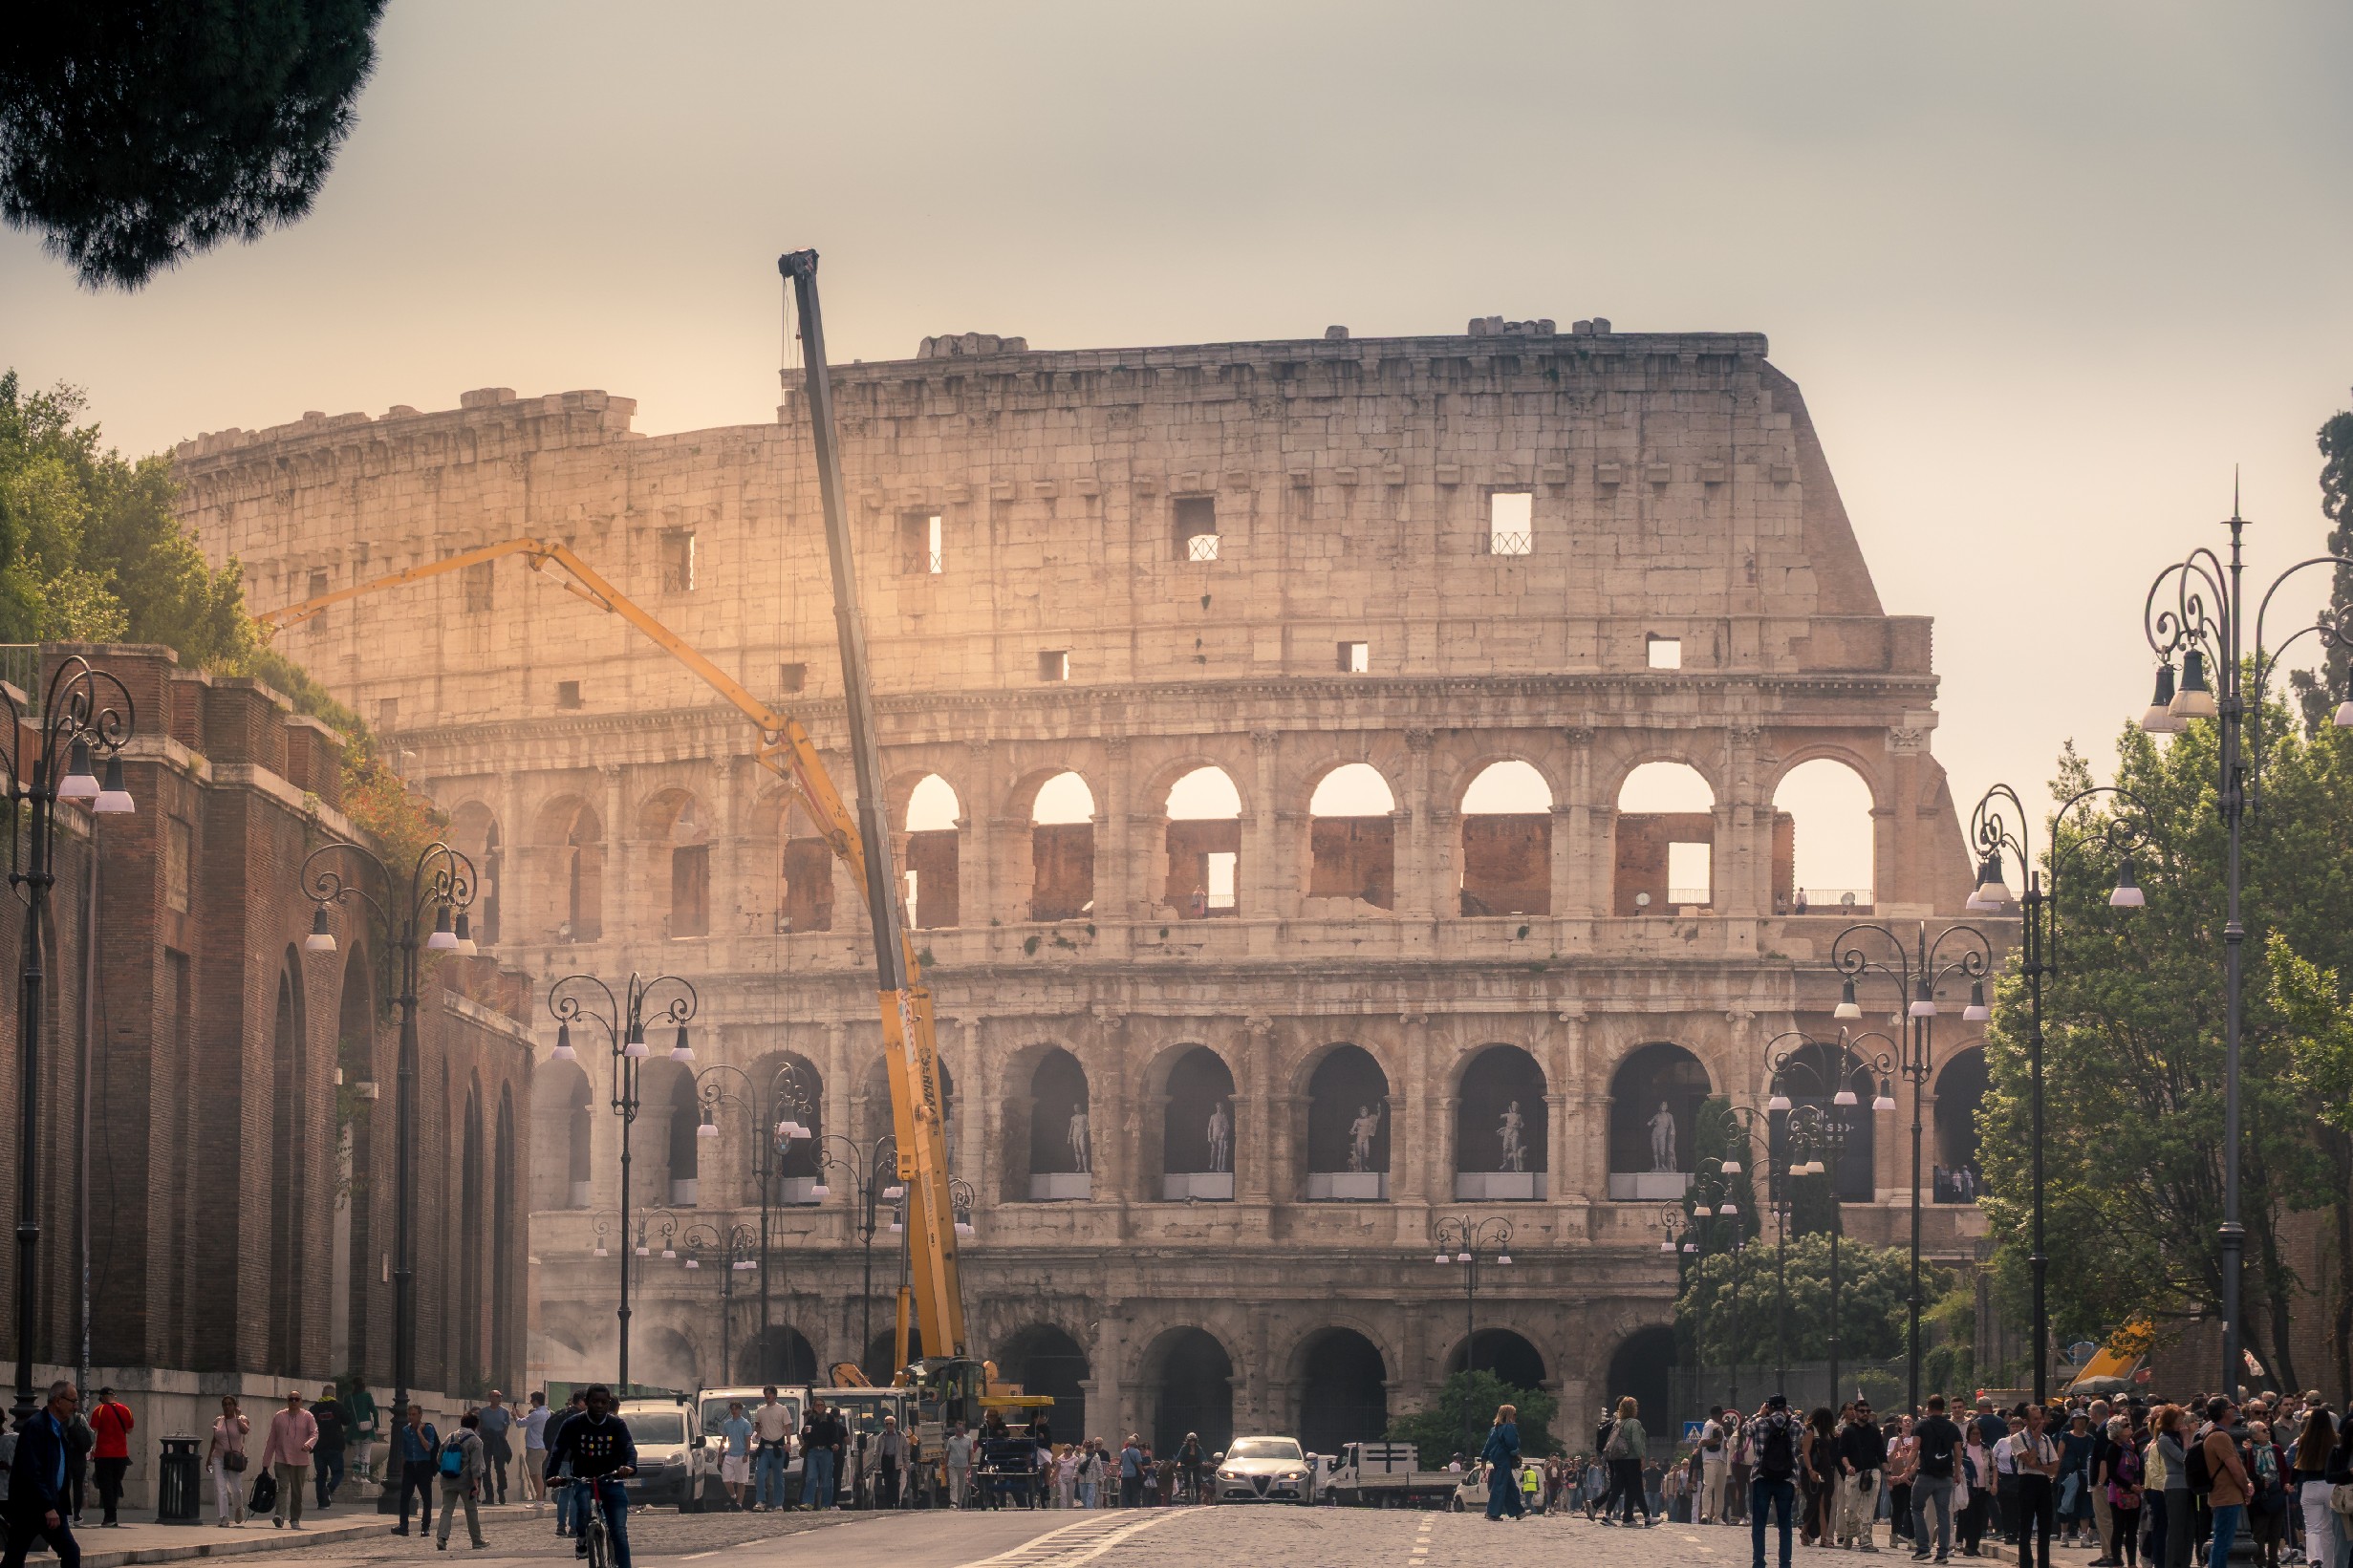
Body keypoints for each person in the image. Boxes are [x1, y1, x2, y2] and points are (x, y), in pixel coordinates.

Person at [541, 1385, 637, 1568]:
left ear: (608, 1403)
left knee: (619, 1532)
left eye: (603, 1402)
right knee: (582, 1507)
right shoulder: (572, 1423)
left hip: (611, 1479)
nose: (599, 1405)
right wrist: (551, 1475)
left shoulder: (617, 1424)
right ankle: (582, 1537)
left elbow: (629, 1447)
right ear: (587, 1402)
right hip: (582, 1478)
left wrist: (629, 1466)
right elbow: (558, 1450)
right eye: (595, 1401)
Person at [5, 1381, 82, 1568]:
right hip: (32, 1507)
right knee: (15, 1556)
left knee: (70, 1551)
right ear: (57, 1401)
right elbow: (32, 1471)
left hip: (52, 1505)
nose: (76, 1406)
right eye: (73, 1401)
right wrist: (48, 1507)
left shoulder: (60, 1427)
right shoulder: (36, 1426)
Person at [1911, 1393, 1964, 1564]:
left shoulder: (1921, 1425)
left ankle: (1923, 1547)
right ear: (1943, 1408)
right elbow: (1957, 1452)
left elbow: (1915, 1448)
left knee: (1917, 1508)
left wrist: (1907, 1467)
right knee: (1944, 1515)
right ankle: (1942, 1553)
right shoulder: (1953, 1428)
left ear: (1928, 1408)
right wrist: (1957, 1472)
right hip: (1945, 1476)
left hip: (1926, 1474)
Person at [1752, 1394, 1803, 1568]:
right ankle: (1785, 1563)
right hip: (1786, 1478)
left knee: (1759, 1523)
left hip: (1762, 1476)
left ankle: (1759, 1561)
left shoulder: (1760, 1423)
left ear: (1769, 1407)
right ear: (1786, 1407)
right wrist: (1790, 1415)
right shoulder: (1795, 1425)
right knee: (1785, 1524)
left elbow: (1744, 1430)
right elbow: (1802, 1432)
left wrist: (1759, 1414)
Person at [2202, 1398, 2252, 1568]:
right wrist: (2246, 1489)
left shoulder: (2214, 1433)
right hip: (2226, 1497)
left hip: (2224, 1496)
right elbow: (2235, 1468)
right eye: (2232, 1407)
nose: (2235, 1409)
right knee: (2222, 1544)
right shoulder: (2220, 1437)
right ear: (2224, 1412)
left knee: (2221, 1542)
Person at [2009, 1403, 2061, 1568]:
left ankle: (2043, 1563)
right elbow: (2029, 1462)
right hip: (2027, 1482)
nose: (2040, 1423)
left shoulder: (2047, 1439)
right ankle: (2026, 1563)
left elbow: (2054, 1467)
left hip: (2043, 1482)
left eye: (2041, 1419)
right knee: (2026, 1525)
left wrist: (2041, 1467)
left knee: (2045, 1526)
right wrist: (2035, 1440)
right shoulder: (2018, 1438)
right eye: (2036, 1419)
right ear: (2026, 1421)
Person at [261, 1389, 318, 1530]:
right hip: (282, 1458)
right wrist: (265, 1463)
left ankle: (295, 1519)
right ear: (287, 1401)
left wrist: (308, 1444)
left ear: (301, 1402)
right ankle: (279, 1515)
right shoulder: (279, 1417)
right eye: (291, 1399)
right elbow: (271, 1440)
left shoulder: (307, 1416)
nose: (293, 1402)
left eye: (296, 1399)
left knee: (297, 1491)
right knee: (282, 1488)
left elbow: (314, 1433)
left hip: (300, 1460)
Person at [2289, 1406, 2337, 1568]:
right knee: (2328, 1529)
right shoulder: (2334, 1439)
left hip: (2310, 1486)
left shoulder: (2303, 1439)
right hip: (2330, 1486)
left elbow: (2297, 1465)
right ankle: (2329, 1563)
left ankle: (2314, 1559)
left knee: (2312, 1527)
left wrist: (2290, 1482)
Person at [1840, 1399, 1889, 1551]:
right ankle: (1849, 1534)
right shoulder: (1848, 1431)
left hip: (1872, 1472)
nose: (1865, 1414)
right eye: (1862, 1411)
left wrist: (1888, 1473)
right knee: (1851, 1508)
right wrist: (1848, 1466)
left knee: (1869, 1507)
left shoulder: (1874, 1431)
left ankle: (1866, 1540)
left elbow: (1882, 1455)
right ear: (1855, 1412)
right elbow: (1842, 1453)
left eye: (1868, 1411)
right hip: (1854, 1473)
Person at [434, 1412, 486, 1552]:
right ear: (476, 1425)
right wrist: (476, 1484)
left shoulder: (449, 1437)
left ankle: (442, 1538)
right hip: (466, 1482)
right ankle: (476, 1540)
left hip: (447, 1479)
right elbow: (475, 1466)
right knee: (471, 1510)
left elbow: (439, 1460)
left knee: (446, 1510)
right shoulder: (475, 1441)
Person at [394, 1402, 443, 1536]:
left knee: (426, 1498)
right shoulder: (405, 1430)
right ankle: (403, 1526)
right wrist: (402, 1471)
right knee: (405, 1497)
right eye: (409, 1415)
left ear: (420, 1415)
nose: (411, 1417)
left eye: (414, 1414)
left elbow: (428, 1447)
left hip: (424, 1466)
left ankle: (425, 1527)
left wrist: (419, 1432)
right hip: (410, 1466)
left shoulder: (428, 1429)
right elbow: (403, 1452)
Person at [2102, 1414, 2144, 1568]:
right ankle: (2117, 1562)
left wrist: (2140, 1484)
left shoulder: (2133, 1445)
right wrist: (2129, 1485)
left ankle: (2132, 1563)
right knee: (2119, 1528)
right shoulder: (2113, 1448)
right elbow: (2112, 1473)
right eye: (2126, 1425)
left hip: (2134, 1493)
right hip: (2118, 1493)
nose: (2130, 1427)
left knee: (2132, 1530)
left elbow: (2140, 1467)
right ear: (2118, 1431)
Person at [87, 1389, 132, 1530]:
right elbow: (129, 1430)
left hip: (104, 1454)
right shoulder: (126, 1410)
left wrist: (90, 1449)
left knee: (106, 1486)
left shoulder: (99, 1410)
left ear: (103, 1397)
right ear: (114, 1396)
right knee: (114, 1483)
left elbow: (92, 1430)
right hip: (121, 1454)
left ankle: (110, 1517)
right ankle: (113, 1512)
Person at [206, 1395, 252, 1528]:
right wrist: (209, 1457)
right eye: (225, 1404)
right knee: (220, 1487)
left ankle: (238, 1508)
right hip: (219, 1457)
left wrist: (237, 1417)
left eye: (230, 1404)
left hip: (234, 1458)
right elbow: (214, 1440)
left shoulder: (242, 1420)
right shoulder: (218, 1421)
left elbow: (245, 1431)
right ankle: (223, 1517)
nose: (227, 1407)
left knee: (236, 1489)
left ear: (235, 1406)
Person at [1607, 1397, 1651, 1525]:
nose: (1637, 1409)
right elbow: (1636, 1442)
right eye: (1636, 1406)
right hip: (1632, 1460)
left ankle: (1608, 1516)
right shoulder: (1634, 1423)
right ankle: (1648, 1518)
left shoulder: (1618, 1422)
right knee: (1637, 1488)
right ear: (1632, 1409)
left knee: (1617, 1489)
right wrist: (1642, 1457)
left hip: (1619, 1460)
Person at [751, 1388, 793, 1512]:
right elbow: (758, 1426)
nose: (767, 1396)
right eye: (766, 1394)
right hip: (764, 1448)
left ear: (775, 1395)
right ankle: (760, 1501)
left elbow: (787, 1427)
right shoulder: (760, 1411)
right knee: (760, 1474)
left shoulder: (782, 1409)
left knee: (778, 1477)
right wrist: (757, 1433)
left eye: (770, 1393)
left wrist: (789, 1442)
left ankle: (778, 1503)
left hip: (778, 1448)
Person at [799, 1397, 845, 1511]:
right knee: (811, 1477)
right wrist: (805, 1433)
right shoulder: (811, 1419)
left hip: (826, 1451)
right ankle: (808, 1502)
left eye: (821, 1405)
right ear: (814, 1407)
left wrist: (835, 1443)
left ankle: (825, 1504)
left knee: (826, 1479)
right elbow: (805, 1433)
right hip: (813, 1452)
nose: (819, 1407)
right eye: (817, 1405)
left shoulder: (829, 1418)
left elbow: (834, 1433)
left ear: (824, 1407)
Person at [1481, 1404, 1524, 1521]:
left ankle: (1518, 1512)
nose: (1516, 1416)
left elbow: (1488, 1445)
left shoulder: (1494, 1429)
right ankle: (1492, 1512)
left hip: (1496, 1459)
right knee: (1499, 1486)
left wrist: (1484, 1459)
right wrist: (1517, 1454)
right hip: (1505, 1459)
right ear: (1510, 1415)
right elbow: (1512, 1444)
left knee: (1511, 1487)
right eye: (1515, 1414)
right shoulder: (1509, 1427)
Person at [312, 1385, 347, 1511]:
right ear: (334, 1395)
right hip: (335, 1445)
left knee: (321, 1475)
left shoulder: (314, 1409)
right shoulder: (338, 1407)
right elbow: (347, 1420)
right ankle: (330, 1488)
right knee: (338, 1472)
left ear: (322, 1394)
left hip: (318, 1446)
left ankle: (322, 1503)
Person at [477, 1392, 513, 1506]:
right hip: (486, 1440)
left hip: (499, 1440)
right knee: (485, 1467)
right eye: (496, 1396)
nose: (499, 1398)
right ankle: (489, 1495)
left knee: (500, 1468)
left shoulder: (504, 1412)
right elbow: (479, 1425)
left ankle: (501, 1492)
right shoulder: (483, 1412)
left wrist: (501, 1438)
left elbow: (506, 1427)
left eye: (500, 1396)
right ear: (490, 1398)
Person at [719, 1402, 753, 1511]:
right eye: (732, 1409)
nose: (734, 1411)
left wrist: (746, 1454)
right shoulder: (727, 1424)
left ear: (740, 1410)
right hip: (730, 1455)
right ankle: (733, 1496)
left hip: (741, 1455)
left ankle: (739, 1504)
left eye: (736, 1409)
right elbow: (723, 1440)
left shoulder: (745, 1423)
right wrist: (720, 1455)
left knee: (741, 1481)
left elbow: (748, 1441)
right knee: (726, 1479)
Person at [347, 1378, 380, 1486]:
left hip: (353, 1429)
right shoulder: (366, 1396)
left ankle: (355, 1475)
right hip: (366, 1429)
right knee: (365, 1453)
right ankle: (363, 1476)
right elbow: (374, 1411)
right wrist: (376, 1424)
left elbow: (346, 1412)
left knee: (356, 1453)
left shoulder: (349, 1398)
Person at [520, 1392, 551, 1504]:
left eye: (532, 1400)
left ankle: (539, 1500)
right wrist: (520, 1415)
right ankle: (539, 1499)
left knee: (536, 1475)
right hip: (542, 1447)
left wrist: (515, 1416)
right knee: (536, 1474)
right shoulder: (546, 1413)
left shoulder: (537, 1413)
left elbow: (520, 1424)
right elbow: (530, 1422)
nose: (531, 1402)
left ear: (536, 1401)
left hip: (535, 1448)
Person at [1702, 1406, 1731, 1524]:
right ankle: (1706, 1513)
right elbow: (1703, 1442)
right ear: (1717, 1414)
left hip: (1721, 1460)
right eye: (1721, 1414)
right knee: (1709, 1486)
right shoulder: (1709, 1425)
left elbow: (1724, 1445)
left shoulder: (1721, 1428)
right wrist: (1717, 1440)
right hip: (1710, 1460)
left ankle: (1718, 1516)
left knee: (1720, 1490)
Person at [875, 1416, 907, 1510]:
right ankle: (889, 1504)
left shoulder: (900, 1435)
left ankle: (897, 1503)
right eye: (887, 1424)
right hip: (886, 1461)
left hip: (896, 1461)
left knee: (895, 1481)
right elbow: (877, 1451)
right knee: (888, 1483)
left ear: (894, 1425)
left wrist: (906, 1463)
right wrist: (877, 1464)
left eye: (891, 1423)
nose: (889, 1426)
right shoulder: (882, 1436)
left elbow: (905, 1450)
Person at [944, 1422, 973, 1510]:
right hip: (952, 1465)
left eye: (960, 1430)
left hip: (963, 1466)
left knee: (961, 1486)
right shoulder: (951, 1440)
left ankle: (959, 1503)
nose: (959, 1432)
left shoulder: (968, 1439)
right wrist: (946, 1466)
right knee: (953, 1484)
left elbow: (971, 1453)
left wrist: (970, 1464)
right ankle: (954, 1501)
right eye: (957, 1430)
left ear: (963, 1430)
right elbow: (947, 1453)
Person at [1177, 1432, 1206, 1506]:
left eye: (1193, 1440)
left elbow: (1202, 1456)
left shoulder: (1198, 1448)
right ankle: (1187, 1494)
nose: (1192, 1442)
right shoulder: (1184, 1448)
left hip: (1196, 1465)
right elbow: (1180, 1456)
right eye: (1190, 1440)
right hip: (1187, 1465)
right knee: (1186, 1476)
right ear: (1188, 1441)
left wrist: (1203, 1462)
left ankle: (1198, 1496)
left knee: (1197, 1479)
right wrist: (1179, 1463)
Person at [1118, 1435, 1143, 1508]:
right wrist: (1142, 1472)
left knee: (1125, 1492)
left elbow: (1121, 1462)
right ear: (1135, 1443)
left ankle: (1125, 1505)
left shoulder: (1123, 1452)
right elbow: (1139, 1464)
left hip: (1124, 1475)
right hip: (1133, 1474)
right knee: (1135, 1491)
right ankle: (1135, 1505)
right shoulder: (1136, 1452)